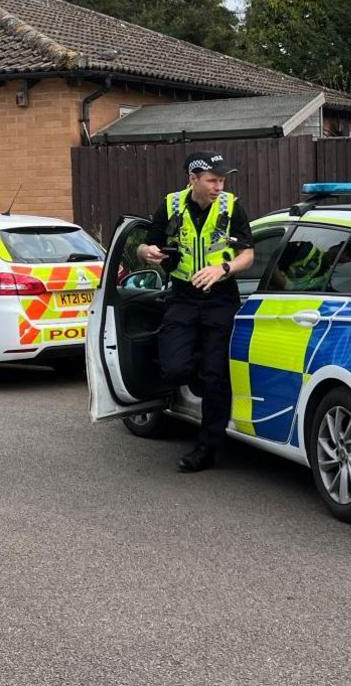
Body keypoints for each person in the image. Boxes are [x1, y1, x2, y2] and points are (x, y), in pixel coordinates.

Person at [136, 152, 255, 472]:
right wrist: (148, 252)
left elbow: (248, 254)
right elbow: (145, 245)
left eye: (222, 180)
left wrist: (224, 268)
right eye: (213, 180)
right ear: (193, 179)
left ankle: (207, 447)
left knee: (216, 379)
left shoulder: (232, 207)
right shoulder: (171, 205)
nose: (219, 186)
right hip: (183, 298)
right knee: (174, 368)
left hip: (220, 298)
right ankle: (198, 368)